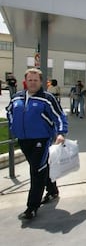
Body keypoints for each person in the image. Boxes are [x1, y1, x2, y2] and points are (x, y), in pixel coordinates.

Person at [6, 68, 68, 220]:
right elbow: (9, 112)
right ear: (25, 81)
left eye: (35, 80)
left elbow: (59, 115)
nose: (32, 83)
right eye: (30, 80)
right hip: (23, 140)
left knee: (36, 170)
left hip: (41, 139)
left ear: (41, 82)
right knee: (41, 167)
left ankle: (31, 207)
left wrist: (61, 132)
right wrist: (13, 126)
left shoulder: (47, 98)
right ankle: (53, 190)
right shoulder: (17, 97)